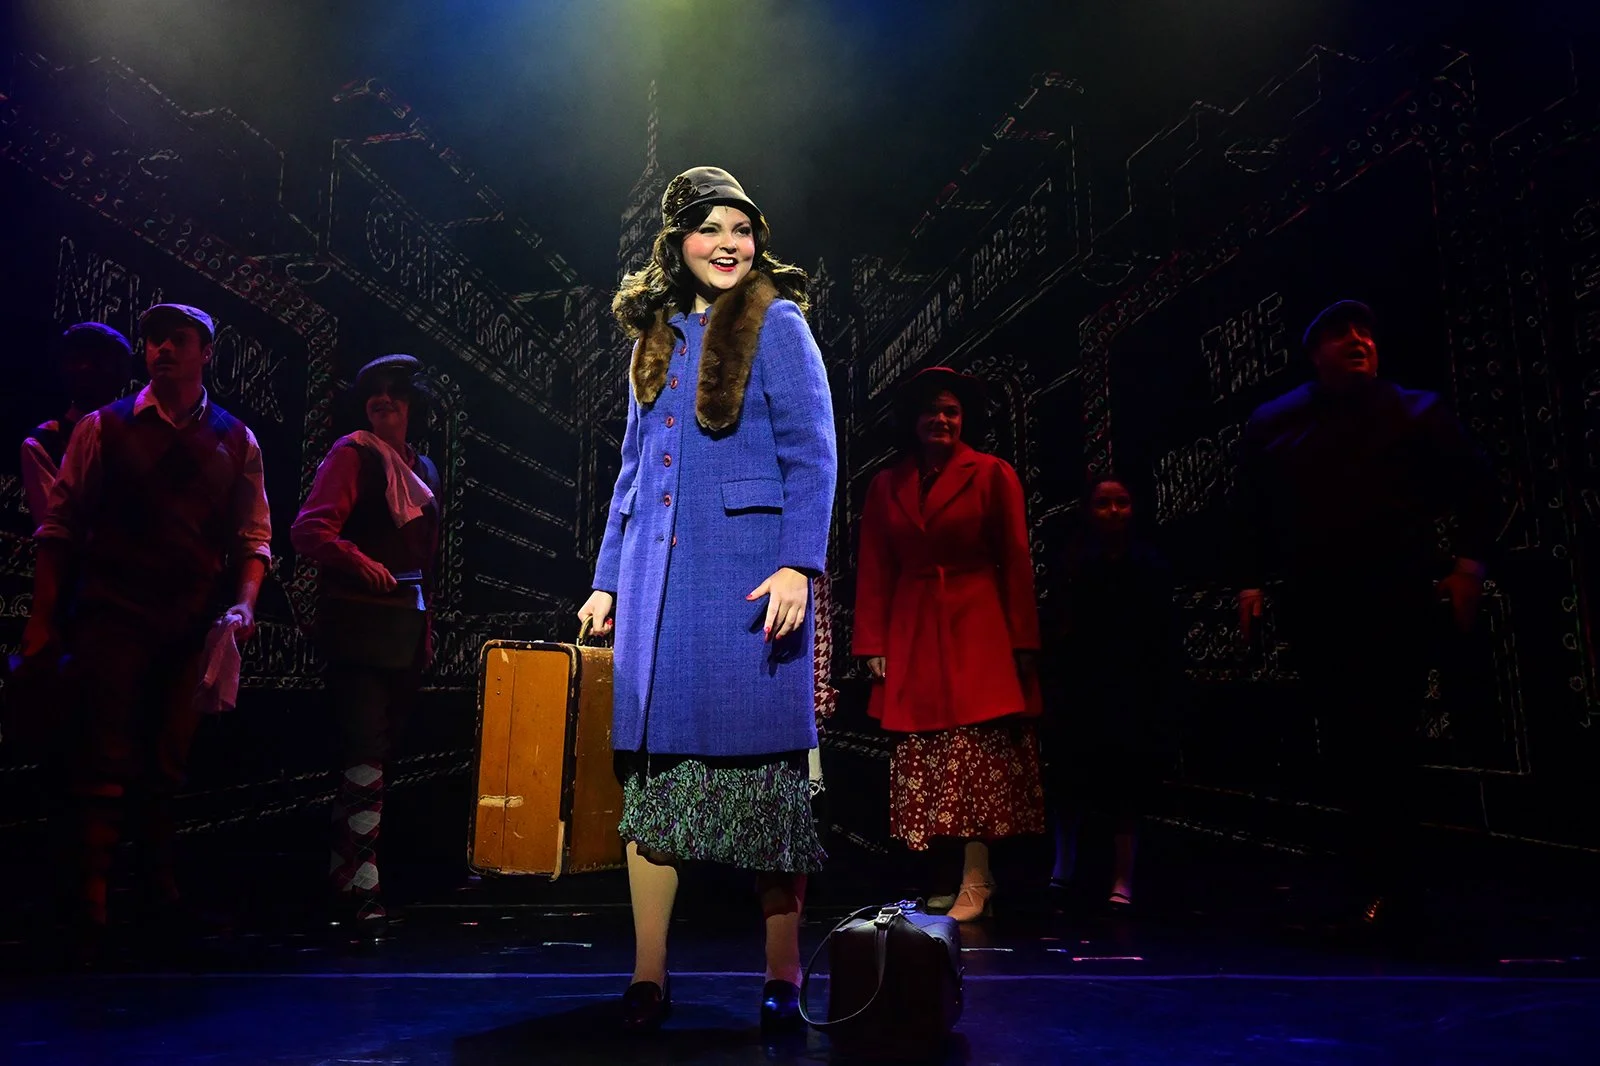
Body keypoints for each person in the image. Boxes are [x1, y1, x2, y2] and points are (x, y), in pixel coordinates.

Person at [576, 166, 836, 1035]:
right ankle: (648, 973)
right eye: (709, 229)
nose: (728, 244)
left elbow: (812, 451)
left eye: (741, 229)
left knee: (765, 792)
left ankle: (782, 972)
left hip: (749, 583)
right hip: (658, 585)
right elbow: (629, 471)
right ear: (677, 242)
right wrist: (608, 578)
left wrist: (799, 564)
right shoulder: (653, 338)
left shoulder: (777, 322)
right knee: (654, 790)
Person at [1232, 299, 1499, 930]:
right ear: (1314, 352)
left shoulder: (1415, 410)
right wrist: (1249, 581)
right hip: (1317, 602)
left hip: (1394, 596)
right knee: (1343, 738)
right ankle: (1363, 875)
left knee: (1392, 734)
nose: (1358, 340)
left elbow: (1479, 485)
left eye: (1366, 332)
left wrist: (1468, 567)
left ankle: (1396, 883)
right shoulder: (1276, 421)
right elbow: (1250, 508)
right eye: (1340, 333)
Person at [20, 302, 271, 960]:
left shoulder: (236, 438)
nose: (162, 349)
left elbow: (254, 537)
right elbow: (60, 528)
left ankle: (159, 894)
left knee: (167, 761)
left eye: (177, 340)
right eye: (154, 339)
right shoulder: (104, 426)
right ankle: (92, 904)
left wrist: (244, 605)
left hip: (191, 618)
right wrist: (42, 620)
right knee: (102, 754)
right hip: (113, 610)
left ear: (205, 352)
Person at [851, 366, 1044, 922]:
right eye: (932, 411)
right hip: (913, 625)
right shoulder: (887, 484)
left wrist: (1022, 641)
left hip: (977, 624)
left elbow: (1016, 561)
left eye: (951, 411)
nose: (941, 419)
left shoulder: (992, 474)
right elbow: (875, 568)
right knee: (928, 753)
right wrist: (873, 643)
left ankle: (977, 877)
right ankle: (941, 873)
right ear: (913, 421)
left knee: (975, 753)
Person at [290, 355, 441, 940]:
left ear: (413, 405)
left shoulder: (422, 468)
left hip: (403, 626)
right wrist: (357, 560)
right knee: (365, 750)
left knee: (378, 753)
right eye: (374, 391)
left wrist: (425, 627)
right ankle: (365, 888)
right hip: (359, 623)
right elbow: (310, 530)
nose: (384, 400)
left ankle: (344, 876)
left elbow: (423, 562)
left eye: (395, 392)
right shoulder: (353, 454)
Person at [1044, 475, 1180, 913]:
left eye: (1121, 502)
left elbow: (1162, 634)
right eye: (1104, 503)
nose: (1114, 511)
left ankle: (1123, 877)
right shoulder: (1073, 563)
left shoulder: (1150, 564)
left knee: (1127, 784)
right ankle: (1064, 867)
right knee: (1070, 780)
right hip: (1081, 686)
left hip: (1132, 687)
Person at [21, 322, 133, 526]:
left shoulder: (139, 434)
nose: (85, 367)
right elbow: (55, 525)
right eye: (77, 358)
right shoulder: (44, 442)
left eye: (97, 359)